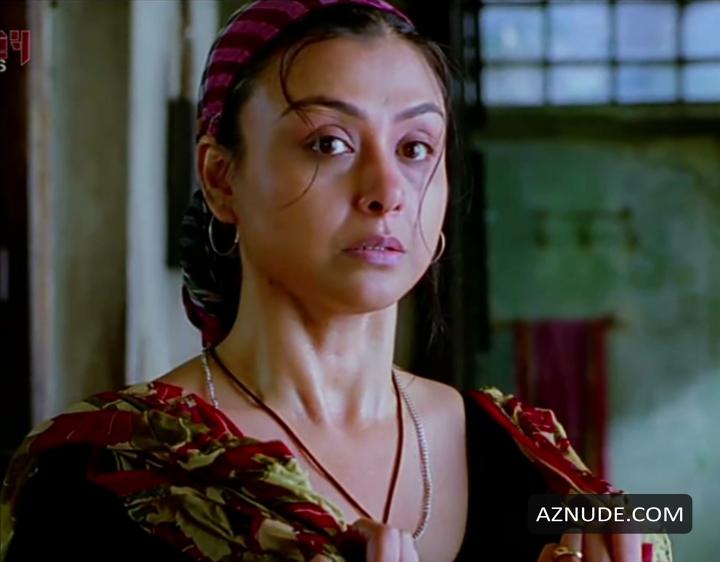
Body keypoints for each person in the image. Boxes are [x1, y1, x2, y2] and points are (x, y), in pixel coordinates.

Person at [0, 1, 672, 561]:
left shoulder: (529, 462)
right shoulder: (101, 472)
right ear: (221, 178)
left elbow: (665, 517)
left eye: (415, 149)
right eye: (329, 143)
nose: (387, 190)